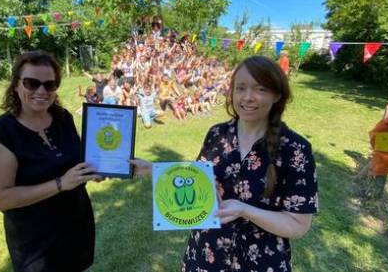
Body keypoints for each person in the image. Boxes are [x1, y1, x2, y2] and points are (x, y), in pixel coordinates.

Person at [131, 56, 318, 271]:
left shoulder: (295, 149)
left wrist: (244, 210)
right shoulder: (217, 134)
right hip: (206, 255)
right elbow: (198, 181)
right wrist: (154, 170)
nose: (248, 97)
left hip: (260, 262)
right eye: (240, 88)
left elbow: (298, 225)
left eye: (260, 89)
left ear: (276, 95)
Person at [0, 50, 102, 272]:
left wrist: (95, 169)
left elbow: (76, 163)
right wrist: (60, 183)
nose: (41, 91)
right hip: (36, 243)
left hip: (76, 227)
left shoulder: (63, 118)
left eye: (50, 85)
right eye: (32, 83)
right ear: (16, 85)